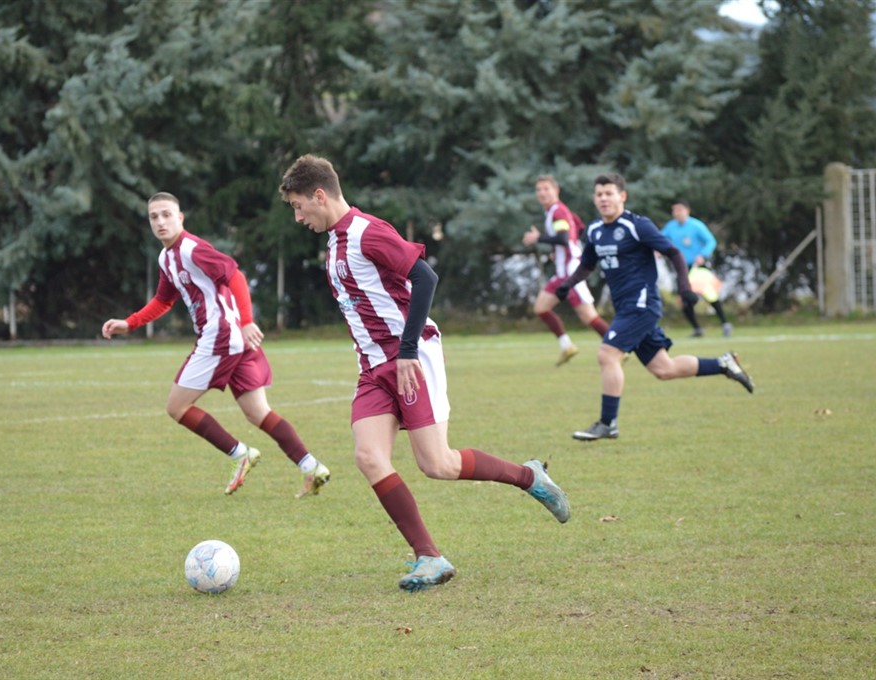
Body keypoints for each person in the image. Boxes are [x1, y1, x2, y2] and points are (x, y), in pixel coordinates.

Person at [278, 155, 570, 593]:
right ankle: (429, 557)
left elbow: (425, 277)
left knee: (437, 464)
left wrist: (409, 349)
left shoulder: (367, 231)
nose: (298, 217)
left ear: (320, 195)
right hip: (372, 367)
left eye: (299, 206)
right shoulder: (335, 242)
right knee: (368, 457)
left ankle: (529, 477)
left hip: (409, 359)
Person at [101, 192, 330, 497]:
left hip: (221, 336)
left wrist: (247, 320)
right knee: (258, 413)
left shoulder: (191, 249)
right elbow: (163, 300)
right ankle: (312, 467)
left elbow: (235, 276)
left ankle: (241, 454)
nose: (160, 222)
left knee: (176, 407)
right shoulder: (166, 258)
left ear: (180, 218)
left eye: (167, 214)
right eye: (154, 217)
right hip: (233, 339)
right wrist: (129, 323)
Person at [553, 174, 755, 442]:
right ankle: (723, 364)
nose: (603, 198)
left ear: (622, 196)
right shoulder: (595, 230)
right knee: (664, 369)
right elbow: (588, 264)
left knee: (607, 354)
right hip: (626, 307)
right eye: (599, 194)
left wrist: (684, 287)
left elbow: (674, 253)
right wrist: (569, 284)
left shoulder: (637, 226)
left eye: (609, 193)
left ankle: (608, 423)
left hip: (642, 304)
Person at [522, 175, 611, 366]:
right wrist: (561, 251)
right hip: (562, 272)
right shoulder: (555, 211)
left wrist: (539, 238)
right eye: (539, 189)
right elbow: (578, 228)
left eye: (546, 188)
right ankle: (567, 346)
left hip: (571, 273)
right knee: (541, 308)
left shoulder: (558, 212)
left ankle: (618, 347)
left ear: (556, 190)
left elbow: (563, 238)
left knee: (588, 316)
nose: (542, 193)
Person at [661, 200, 733, 338]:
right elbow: (659, 239)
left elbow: (711, 241)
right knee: (684, 300)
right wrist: (658, 251)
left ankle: (725, 323)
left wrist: (703, 255)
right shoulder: (671, 227)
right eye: (674, 210)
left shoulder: (696, 225)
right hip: (681, 269)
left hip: (697, 268)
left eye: (679, 210)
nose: (676, 213)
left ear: (687, 211)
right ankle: (697, 328)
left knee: (710, 295)